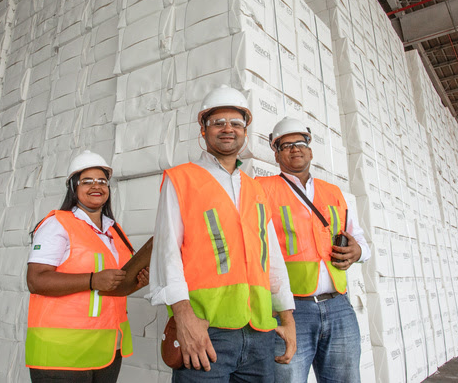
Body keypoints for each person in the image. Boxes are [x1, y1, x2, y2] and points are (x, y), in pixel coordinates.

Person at [148, 84, 297, 382]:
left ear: (245, 132)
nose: (228, 129)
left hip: (260, 332)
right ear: (203, 130)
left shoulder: (255, 188)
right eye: (218, 123)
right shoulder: (181, 179)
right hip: (207, 332)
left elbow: (272, 257)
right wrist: (184, 318)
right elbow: (167, 253)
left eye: (236, 123)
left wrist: (287, 316)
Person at [256, 117, 371, 383]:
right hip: (290, 310)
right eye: (286, 145)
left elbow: (362, 242)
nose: (295, 148)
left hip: (339, 305)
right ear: (276, 153)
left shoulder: (333, 193)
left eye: (300, 143)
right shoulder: (262, 189)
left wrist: (359, 252)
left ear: (310, 149)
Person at [25, 150, 149, 383]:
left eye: (102, 181)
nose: (97, 186)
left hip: (108, 348)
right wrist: (92, 280)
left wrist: (137, 282)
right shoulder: (57, 224)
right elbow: (35, 280)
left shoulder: (114, 232)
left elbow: (112, 287)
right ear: (73, 187)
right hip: (62, 352)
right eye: (87, 181)